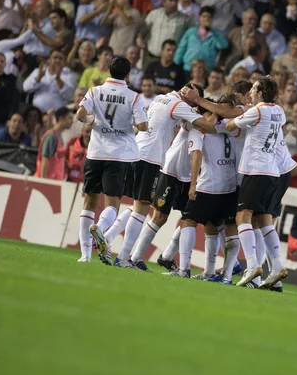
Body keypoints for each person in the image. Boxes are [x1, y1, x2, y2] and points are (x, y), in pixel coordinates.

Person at [106, 84, 216, 268]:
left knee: (143, 207)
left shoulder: (161, 98)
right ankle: (126, 257)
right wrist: (216, 113)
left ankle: (109, 237)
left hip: (142, 153)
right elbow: (207, 127)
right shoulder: (181, 108)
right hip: (160, 164)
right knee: (146, 210)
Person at [73, 56, 149, 264]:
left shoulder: (95, 91)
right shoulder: (133, 97)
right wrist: (134, 123)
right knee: (112, 205)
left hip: (95, 152)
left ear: (108, 70)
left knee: (89, 201)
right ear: (128, 74)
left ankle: (85, 255)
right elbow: (143, 126)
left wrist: (93, 121)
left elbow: (80, 114)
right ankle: (100, 227)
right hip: (119, 155)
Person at [225, 77, 288, 288]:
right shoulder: (280, 112)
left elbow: (230, 125)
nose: (251, 92)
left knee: (242, 216)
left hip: (255, 170)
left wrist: (243, 113)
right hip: (272, 172)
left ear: (261, 93)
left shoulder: (257, 111)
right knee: (264, 220)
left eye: (254, 89)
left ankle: (252, 265)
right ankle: (277, 265)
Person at [171, 96, 240, 280]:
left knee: (188, 221)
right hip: (231, 187)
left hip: (208, 185)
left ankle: (184, 268)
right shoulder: (231, 126)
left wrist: (192, 185)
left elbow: (197, 155)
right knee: (215, 226)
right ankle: (219, 275)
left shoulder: (199, 129)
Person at [34, 106, 73, 180]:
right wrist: (43, 182)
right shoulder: (51, 137)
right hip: (48, 182)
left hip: (56, 181)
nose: (72, 121)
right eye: (70, 118)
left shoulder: (59, 136)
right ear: (61, 118)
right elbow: (45, 160)